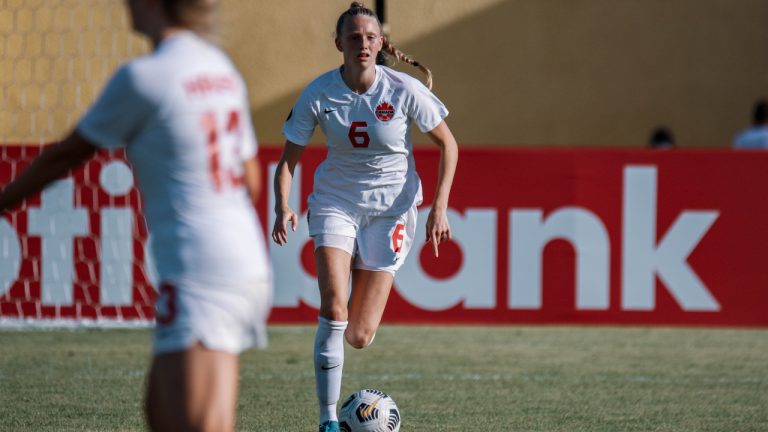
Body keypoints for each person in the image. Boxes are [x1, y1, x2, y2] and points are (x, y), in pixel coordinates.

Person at [0, 0, 272, 430]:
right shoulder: (219, 67)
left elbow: (66, 156)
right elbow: (251, 179)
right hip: (237, 259)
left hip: (200, 271)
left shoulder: (144, 77)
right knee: (161, 413)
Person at [271, 3, 458, 431]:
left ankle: (356, 263)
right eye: (354, 37)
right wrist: (283, 205)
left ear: (381, 43)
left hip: (392, 208)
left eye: (370, 37)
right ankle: (328, 421)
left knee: (358, 335)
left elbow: (449, 145)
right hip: (337, 202)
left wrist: (439, 208)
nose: (363, 44)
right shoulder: (318, 93)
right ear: (339, 43)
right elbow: (287, 162)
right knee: (334, 308)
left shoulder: (403, 89)